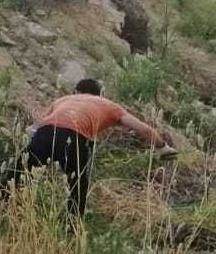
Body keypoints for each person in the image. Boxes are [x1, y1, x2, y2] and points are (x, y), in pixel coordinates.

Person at [19, 78, 174, 217]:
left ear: (76, 92)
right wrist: (162, 147)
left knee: (19, 173)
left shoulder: (64, 99)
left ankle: (4, 206)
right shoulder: (108, 105)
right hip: (74, 137)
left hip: (45, 132)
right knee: (78, 185)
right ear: (100, 95)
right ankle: (72, 225)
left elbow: (39, 125)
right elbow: (143, 129)